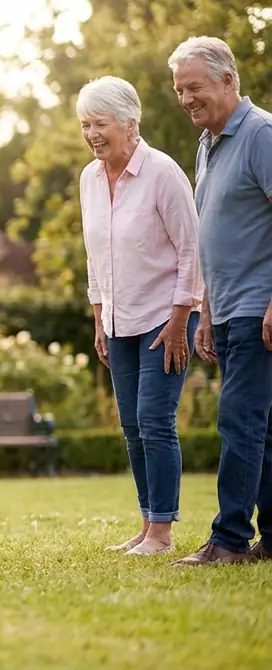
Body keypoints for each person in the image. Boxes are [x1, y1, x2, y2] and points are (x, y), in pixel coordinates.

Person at [74, 76, 204, 557]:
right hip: (117, 318)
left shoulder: (162, 173)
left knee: (155, 419)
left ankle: (164, 533)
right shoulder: (90, 178)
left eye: (100, 123)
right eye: (85, 124)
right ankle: (148, 524)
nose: (92, 133)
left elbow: (192, 251)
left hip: (164, 315)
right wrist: (98, 318)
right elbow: (95, 255)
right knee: (131, 425)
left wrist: (179, 320)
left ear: (130, 123)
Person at [166, 36, 272, 566]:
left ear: (229, 81)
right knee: (262, 428)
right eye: (180, 89)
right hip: (227, 307)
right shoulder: (209, 144)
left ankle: (228, 539)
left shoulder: (261, 135)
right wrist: (206, 311)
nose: (186, 98)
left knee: (239, 422)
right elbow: (214, 232)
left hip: (260, 307)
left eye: (196, 87)